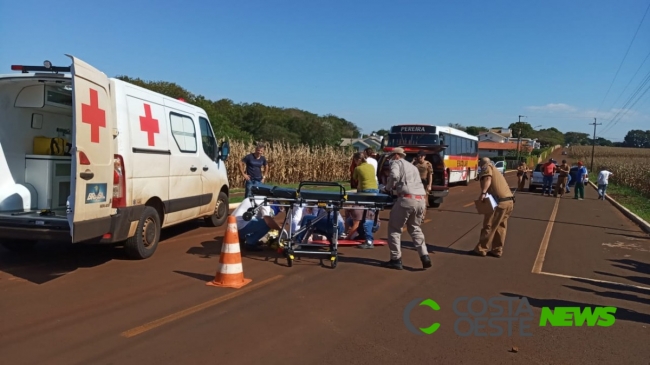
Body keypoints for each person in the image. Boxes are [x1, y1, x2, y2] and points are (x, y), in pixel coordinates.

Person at [380, 147, 431, 270]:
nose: (390, 159)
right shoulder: (413, 167)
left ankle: (396, 259)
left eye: (391, 156)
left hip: (406, 199)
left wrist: (387, 187)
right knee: (415, 228)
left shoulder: (396, 163)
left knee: (394, 229)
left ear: (396, 155)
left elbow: (394, 175)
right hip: (420, 200)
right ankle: (424, 255)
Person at [468, 157, 515, 258]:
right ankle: (497, 250)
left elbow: (488, 178)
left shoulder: (487, 167)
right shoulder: (495, 170)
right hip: (509, 202)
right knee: (500, 226)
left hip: (499, 202)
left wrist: (483, 193)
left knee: (489, 225)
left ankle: (481, 249)